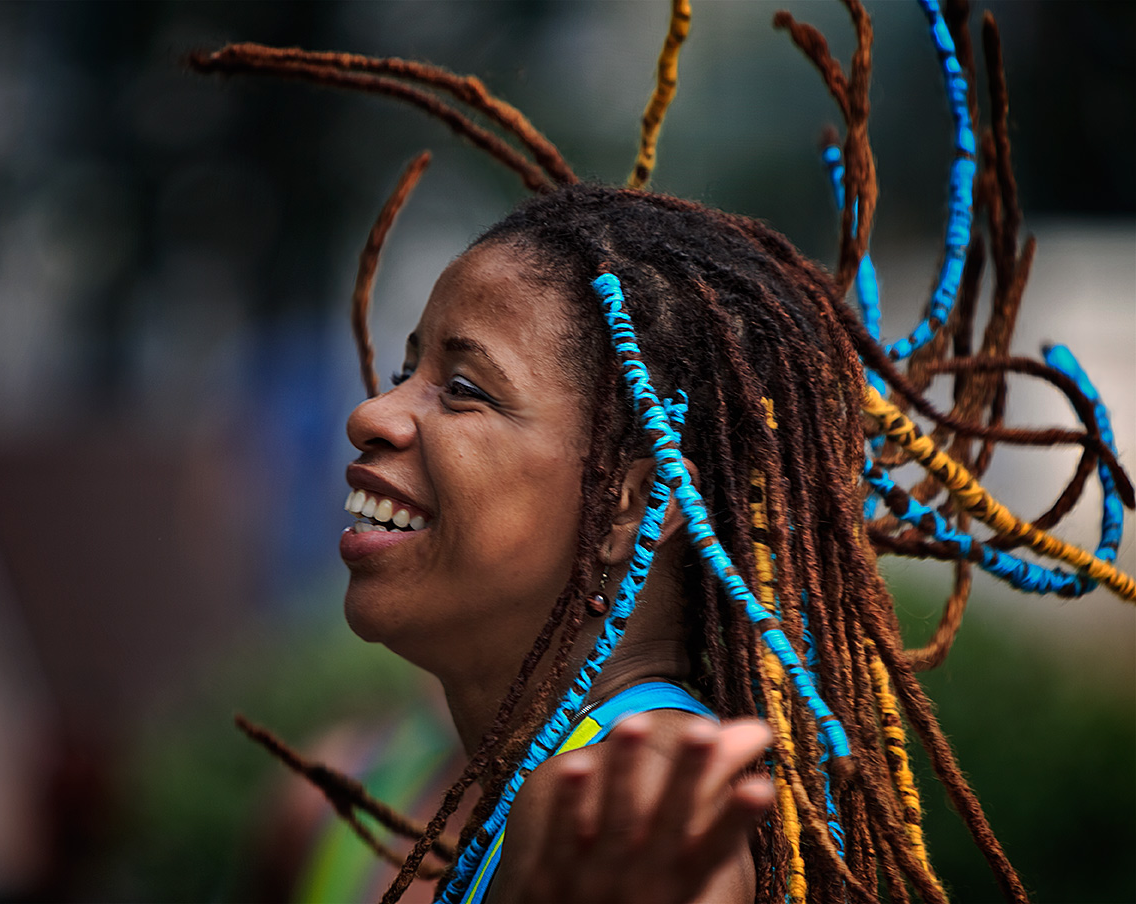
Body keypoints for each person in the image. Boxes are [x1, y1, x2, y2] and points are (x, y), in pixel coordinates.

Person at [194, 2, 1136, 901]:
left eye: (464, 389)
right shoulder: (543, 793)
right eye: (406, 370)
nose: (375, 414)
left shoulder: (646, 831)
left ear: (631, 507)